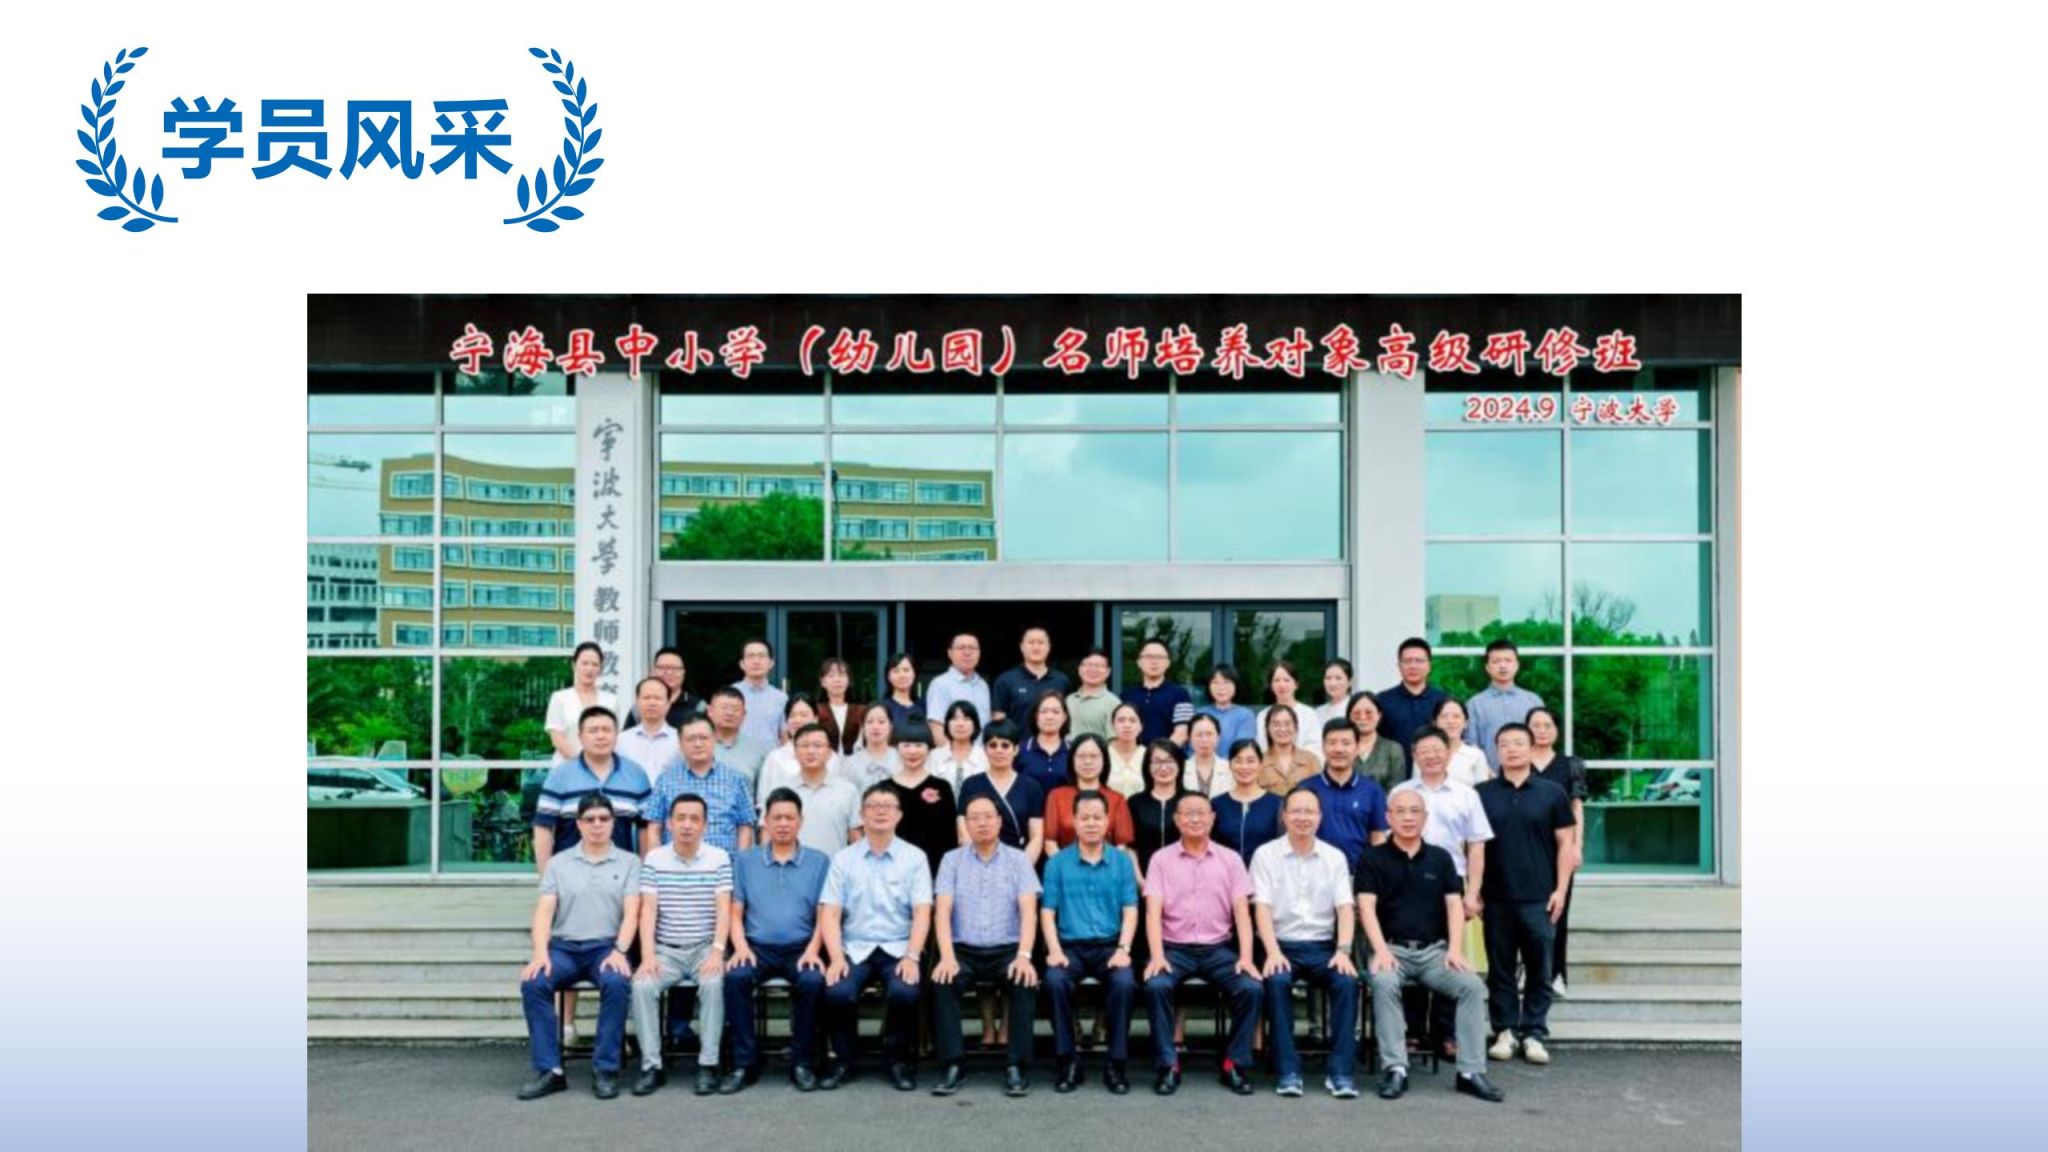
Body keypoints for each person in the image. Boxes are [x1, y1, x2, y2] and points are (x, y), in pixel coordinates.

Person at [1356, 788, 1504, 1104]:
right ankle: (1396, 1068)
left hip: (1434, 953)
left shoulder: (1441, 858)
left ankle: (1470, 1072)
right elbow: (1366, 907)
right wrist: (1380, 950)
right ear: (1388, 818)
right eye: (1400, 811)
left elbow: (1454, 906)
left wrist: (1455, 949)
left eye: (1415, 811)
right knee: (1384, 982)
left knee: (1471, 986)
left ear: (1425, 818)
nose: (1408, 818)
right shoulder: (1372, 858)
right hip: (1391, 950)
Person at [516, 793, 641, 1101]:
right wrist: (540, 954)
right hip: (564, 949)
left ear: (613, 823)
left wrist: (620, 951)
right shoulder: (558, 863)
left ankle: (606, 1069)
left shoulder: (630, 862)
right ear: (579, 824)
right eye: (590, 819)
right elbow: (544, 913)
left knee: (616, 982)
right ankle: (550, 1070)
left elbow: (633, 913)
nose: (597, 825)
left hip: (606, 948)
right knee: (534, 983)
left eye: (604, 819)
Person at [1141, 792, 1262, 1096]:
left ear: (1212, 818)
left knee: (1251, 988)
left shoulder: (1230, 859)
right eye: (1188, 813)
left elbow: (1242, 913)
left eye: (1201, 813)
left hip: (1218, 949)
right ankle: (1168, 1064)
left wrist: (1246, 957)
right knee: (1156, 986)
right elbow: (1153, 912)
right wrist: (1157, 956)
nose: (1195, 819)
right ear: (1177, 820)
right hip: (1174, 948)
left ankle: (1234, 1063)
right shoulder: (1161, 859)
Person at [818, 784, 934, 1091]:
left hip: (898, 946)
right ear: (862, 814)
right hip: (854, 946)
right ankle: (843, 1060)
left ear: (899, 815)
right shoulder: (844, 859)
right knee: (838, 992)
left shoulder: (914, 857)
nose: (880, 811)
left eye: (888, 806)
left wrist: (912, 956)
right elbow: (830, 912)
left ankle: (896, 1060)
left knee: (905, 992)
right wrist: (836, 957)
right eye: (873, 805)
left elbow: (922, 911)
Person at [1474, 722, 1576, 1066]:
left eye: (1519, 743)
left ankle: (1534, 1032)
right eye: (1504, 744)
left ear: (1532, 749)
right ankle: (1504, 1031)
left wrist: (1561, 890)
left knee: (1539, 969)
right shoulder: (1482, 793)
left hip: (1540, 897)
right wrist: (1475, 890)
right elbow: (1473, 846)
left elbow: (1565, 844)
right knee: (1500, 970)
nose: (1512, 749)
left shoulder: (1552, 792)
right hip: (1496, 897)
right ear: (1497, 751)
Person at [930, 794, 1043, 1098]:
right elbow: (942, 911)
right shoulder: (951, 860)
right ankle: (953, 1064)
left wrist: (1024, 956)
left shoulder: (1018, 860)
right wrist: (947, 957)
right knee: (943, 981)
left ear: (999, 821)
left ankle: (1016, 1065)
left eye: (988, 816)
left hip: (1007, 950)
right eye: (974, 818)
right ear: (965, 824)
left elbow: (1028, 911)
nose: (982, 823)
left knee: (1024, 980)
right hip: (963, 950)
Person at [1251, 787, 1360, 1098]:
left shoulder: (1334, 857)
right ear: (1284, 816)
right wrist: (1272, 952)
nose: (1303, 817)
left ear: (1320, 817)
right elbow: (1262, 908)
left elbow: (1345, 908)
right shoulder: (1265, 855)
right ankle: (1288, 1071)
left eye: (1309, 811)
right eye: (1296, 811)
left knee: (1347, 982)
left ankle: (1340, 1073)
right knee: (1276, 981)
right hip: (1280, 944)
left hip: (1323, 946)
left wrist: (1343, 950)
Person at [721, 787, 831, 1093]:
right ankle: (744, 1063)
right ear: (765, 822)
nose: (783, 824)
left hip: (802, 947)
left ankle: (802, 1061)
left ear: (800, 822)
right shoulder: (745, 861)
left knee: (812, 981)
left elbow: (825, 913)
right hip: (756, 947)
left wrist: (814, 949)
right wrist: (740, 947)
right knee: (736, 978)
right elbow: (735, 910)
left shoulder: (819, 862)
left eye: (789, 818)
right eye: (777, 818)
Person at [629, 794, 731, 1097]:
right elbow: (648, 910)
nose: (687, 825)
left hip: (704, 948)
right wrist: (648, 955)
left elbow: (724, 909)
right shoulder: (654, 859)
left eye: (694, 819)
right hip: (666, 951)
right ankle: (651, 1066)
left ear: (705, 825)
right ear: (670, 823)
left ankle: (708, 1064)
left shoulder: (719, 858)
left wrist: (717, 951)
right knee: (642, 985)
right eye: (681, 818)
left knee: (714, 983)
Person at [1040, 792, 1141, 1094]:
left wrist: (1124, 949)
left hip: (1110, 946)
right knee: (1054, 981)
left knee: (1124, 983)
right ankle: (1068, 1061)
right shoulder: (1057, 863)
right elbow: (1047, 912)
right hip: (1070, 947)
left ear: (1108, 821)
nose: (1091, 823)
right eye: (1085, 818)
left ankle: (1116, 1063)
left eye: (1098, 817)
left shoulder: (1122, 862)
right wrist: (1054, 950)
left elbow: (1130, 909)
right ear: (1073, 821)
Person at [533, 707, 651, 866]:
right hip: (569, 874)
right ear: (580, 737)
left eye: (606, 730)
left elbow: (646, 828)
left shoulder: (636, 775)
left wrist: (643, 872)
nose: (600, 736)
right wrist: (546, 875)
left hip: (621, 875)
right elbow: (543, 828)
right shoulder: (559, 776)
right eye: (593, 730)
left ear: (616, 735)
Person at [1526, 706, 1588, 992]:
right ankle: (1530, 970)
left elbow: (1577, 808)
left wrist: (1577, 845)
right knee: (1526, 913)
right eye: (1535, 725)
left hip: (1560, 849)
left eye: (1547, 725)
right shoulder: (1518, 761)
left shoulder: (1570, 765)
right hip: (1526, 847)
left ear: (1556, 731)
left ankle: (1556, 973)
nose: (1541, 731)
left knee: (1557, 912)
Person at [1389, 726, 1491, 897]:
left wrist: (1473, 893)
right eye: (1424, 751)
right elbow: (1388, 837)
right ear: (1414, 756)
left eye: (1437, 750)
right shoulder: (1399, 793)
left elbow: (1476, 845)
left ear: (1449, 752)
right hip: (1404, 876)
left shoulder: (1467, 795)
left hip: (1452, 876)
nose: (1431, 756)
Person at [643, 715, 757, 855]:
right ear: (680, 743)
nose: (698, 744)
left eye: (703, 738)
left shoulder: (736, 779)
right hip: (675, 864)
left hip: (724, 865)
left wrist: (740, 864)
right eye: (691, 739)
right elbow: (654, 827)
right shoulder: (665, 780)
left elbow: (745, 826)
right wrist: (655, 863)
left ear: (714, 739)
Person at [1295, 719, 1389, 870]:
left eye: (1346, 743)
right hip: (1313, 872)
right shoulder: (1306, 788)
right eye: (1332, 743)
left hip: (1358, 873)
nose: (1338, 749)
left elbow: (1378, 837)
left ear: (1357, 747)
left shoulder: (1372, 790)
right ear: (1323, 747)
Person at [956, 719, 1046, 864]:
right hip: (977, 863)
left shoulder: (1031, 787)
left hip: (1020, 863)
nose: (999, 750)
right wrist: (980, 865)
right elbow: (963, 832)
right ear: (985, 750)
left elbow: (1036, 836)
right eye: (993, 745)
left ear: (1016, 750)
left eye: (1005, 745)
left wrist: (1021, 869)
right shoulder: (971, 785)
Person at [878, 723, 959, 878]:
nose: (912, 751)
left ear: (929, 749)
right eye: (906, 745)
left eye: (919, 745)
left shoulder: (942, 787)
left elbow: (951, 838)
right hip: (891, 875)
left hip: (935, 874)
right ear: (896, 748)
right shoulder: (884, 789)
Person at [776, 724, 861, 857]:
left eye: (818, 745)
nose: (811, 751)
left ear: (829, 752)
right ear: (795, 752)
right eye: (804, 746)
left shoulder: (848, 791)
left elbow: (856, 838)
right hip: (790, 867)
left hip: (834, 868)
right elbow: (768, 833)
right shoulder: (781, 791)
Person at [1043, 733, 1135, 851]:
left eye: (1094, 756)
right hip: (1064, 861)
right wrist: (1064, 863)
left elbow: (1121, 845)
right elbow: (1050, 842)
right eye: (1081, 756)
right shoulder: (1056, 796)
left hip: (1107, 862)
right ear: (1072, 760)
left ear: (1104, 760)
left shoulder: (1117, 799)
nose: (1087, 762)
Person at [1466, 639, 1545, 775]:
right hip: (1488, 777)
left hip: (1529, 778)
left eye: (1508, 660)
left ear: (1517, 665)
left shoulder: (1533, 701)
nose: (1503, 666)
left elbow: (1542, 741)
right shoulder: (1474, 704)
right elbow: (1471, 745)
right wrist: (1487, 774)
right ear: (1487, 667)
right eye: (1496, 661)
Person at [755, 695, 844, 806]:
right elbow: (764, 800)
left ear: (815, 718)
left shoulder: (830, 757)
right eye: (792, 715)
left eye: (804, 715)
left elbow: (840, 795)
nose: (798, 720)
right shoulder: (775, 758)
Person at [1212, 739, 1283, 868]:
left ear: (1260, 764)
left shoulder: (1278, 803)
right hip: (1225, 874)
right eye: (1238, 761)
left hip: (1265, 874)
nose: (1244, 767)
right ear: (1230, 765)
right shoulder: (1216, 804)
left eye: (1250, 761)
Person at [544, 642, 617, 768]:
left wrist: (595, 765)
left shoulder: (611, 700)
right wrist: (583, 764)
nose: (589, 669)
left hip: (602, 768)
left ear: (600, 668)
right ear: (574, 665)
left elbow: (613, 736)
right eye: (585, 663)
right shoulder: (559, 698)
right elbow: (557, 739)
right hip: (566, 766)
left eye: (595, 664)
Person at [1377, 638, 1450, 763]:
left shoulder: (1443, 700)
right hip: (1394, 771)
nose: (1413, 666)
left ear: (1429, 665)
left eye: (1419, 661)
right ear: (1399, 666)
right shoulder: (1382, 700)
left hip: (1433, 768)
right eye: (1407, 661)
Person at [1126, 739, 1190, 873]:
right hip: (1146, 876)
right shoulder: (1135, 802)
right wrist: (1140, 880)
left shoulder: (1192, 800)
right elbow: (1130, 847)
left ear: (1180, 764)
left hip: (1186, 876)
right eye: (1156, 762)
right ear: (1147, 766)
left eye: (1169, 761)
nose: (1163, 767)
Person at [991, 625, 1073, 725]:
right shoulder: (1005, 681)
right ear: (1022, 647)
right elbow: (998, 721)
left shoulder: (1062, 681)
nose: (1036, 647)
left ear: (1048, 647)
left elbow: (1068, 718)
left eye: (1041, 643)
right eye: (1031, 642)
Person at [925, 632, 992, 746]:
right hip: (953, 754)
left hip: (981, 754)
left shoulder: (983, 685)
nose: (967, 652)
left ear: (979, 653)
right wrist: (952, 755)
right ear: (950, 653)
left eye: (972, 648)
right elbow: (936, 727)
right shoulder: (940, 684)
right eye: (961, 648)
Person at [1125, 638, 1194, 746]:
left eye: (1159, 657)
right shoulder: (1127, 696)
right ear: (1139, 662)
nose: (1154, 662)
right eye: (1148, 657)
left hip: (1167, 755)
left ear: (1168, 663)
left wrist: (1160, 754)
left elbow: (1182, 734)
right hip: (1134, 755)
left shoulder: (1180, 695)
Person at [616, 676, 683, 782]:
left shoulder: (681, 740)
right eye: (646, 698)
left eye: (658, 698)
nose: (652, 703)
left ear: (668, 704)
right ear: (637, 702)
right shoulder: (621, 740)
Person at [1344, 690, 1409, 792]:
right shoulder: (1341, 749)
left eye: (1368, 712)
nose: (1363, 717)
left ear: (1379, 715)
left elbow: (1397, 789)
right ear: (1349, 717)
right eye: (1357, 713)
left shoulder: (1393, 749)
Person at [733, 638, 789, 755]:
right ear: (742, 664)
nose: (756, 661)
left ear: (771, 663)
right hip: (738, 760)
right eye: (751, 656)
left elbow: (784, 735)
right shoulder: (731, 694)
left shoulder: (781, 698)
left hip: (771, 761)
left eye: (761, 656)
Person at [706, 686, 769, 787]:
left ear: (744, 714)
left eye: (736, 709)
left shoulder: (757, 750)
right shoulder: (696, 745)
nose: (730, 713)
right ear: (710, 711)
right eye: (724, 708)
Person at [1255, 661, 1322, 756]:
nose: (1282, 685)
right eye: (1277, 680)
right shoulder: (1263, 715)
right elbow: (1261, 748)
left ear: (1296, 684)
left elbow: (1315, 748)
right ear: (1271, 686)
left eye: (1287, 680)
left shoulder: (1309, 714)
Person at [1016, 691, 1073, 796]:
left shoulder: (1073, 751)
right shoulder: (1020, 750)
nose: (1049, 717)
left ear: (1064, 717)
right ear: (1035, 716)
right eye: (1044, 711)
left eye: (1056, 712)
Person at [1196, 663, 1259, 751]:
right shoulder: (1200, 714)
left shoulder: (1245, 715)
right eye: (1215, 682)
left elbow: (1243, 750)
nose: (1221, 688)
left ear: (1235, 685)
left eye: (1226, 682)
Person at [928, 700, 989, 790]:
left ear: (975, 724)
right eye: (954, 719)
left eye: (966, 719)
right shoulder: (934, 756)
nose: (960, 724)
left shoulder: (985, 756)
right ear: (947, 724)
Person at [1259, 705, 1320, 795]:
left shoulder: (1311, 760)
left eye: (1287, 724)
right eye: (1276, 725)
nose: (1282, 729)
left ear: (1296, 727)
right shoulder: (1259, 762)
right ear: (1267, 729)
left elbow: (1319, 794)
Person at [814, 657, 868, 758]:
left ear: (849, 680)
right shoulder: (816, 711)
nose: (837, 680)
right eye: (831, 676)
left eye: (841, 675)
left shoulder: (861, 711)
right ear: (823, 682)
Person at [839, 705, 901, 792]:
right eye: (870, 722)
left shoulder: (902, 759)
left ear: (890, 727)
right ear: (863, 728)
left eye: (881, 722)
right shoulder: (850, 764)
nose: (875, 727)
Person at [1064, 647, 1121, 741]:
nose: (1093, 669)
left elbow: (1114, 741)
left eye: (1099, 666)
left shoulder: (1113, 703)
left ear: (1108, 672)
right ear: (1079, 669)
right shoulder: (1069, 700)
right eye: (1088, 664)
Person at [1435, 697, 1491, 788]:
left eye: (1456, 716)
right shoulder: (1425, 754)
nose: (1450, 721)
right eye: (1444, 717)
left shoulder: (1476, 755)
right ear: (1435, 723)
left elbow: (1483, 791)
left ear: (1466, 723)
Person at [649, 646, 705, 728]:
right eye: (662, 668)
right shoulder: (642, 707)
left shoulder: (699, 707)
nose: (669, 672)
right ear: (654, 671)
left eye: (674, 668)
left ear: (683, 672)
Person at [1103, 701, 1149, 797]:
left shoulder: (1148, 755)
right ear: (1113, 725)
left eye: (1132, 720)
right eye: (1121, 720)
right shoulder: (1103, 754)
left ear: (1141, 726)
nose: (1127, 725)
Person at [1181, 713, 1228, 796]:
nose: (1204, 740)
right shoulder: (1181, 769)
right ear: (1190, 738)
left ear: (1218, 737)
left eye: (1209, 734)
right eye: (1199, 735)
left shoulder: (1230, 768)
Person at [878, 653, 923, 731]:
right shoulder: (881, 708)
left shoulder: (925, 706)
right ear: (888, 677)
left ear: (914, 674)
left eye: (906, 670)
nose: (902, 675)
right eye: (896, 671)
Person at [1316, 658, 1355, 726]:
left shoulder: (1355, 709)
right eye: (1328, 678)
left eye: (1338, 678)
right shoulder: (1319, 711)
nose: (1333, 684)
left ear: (1350, 682)